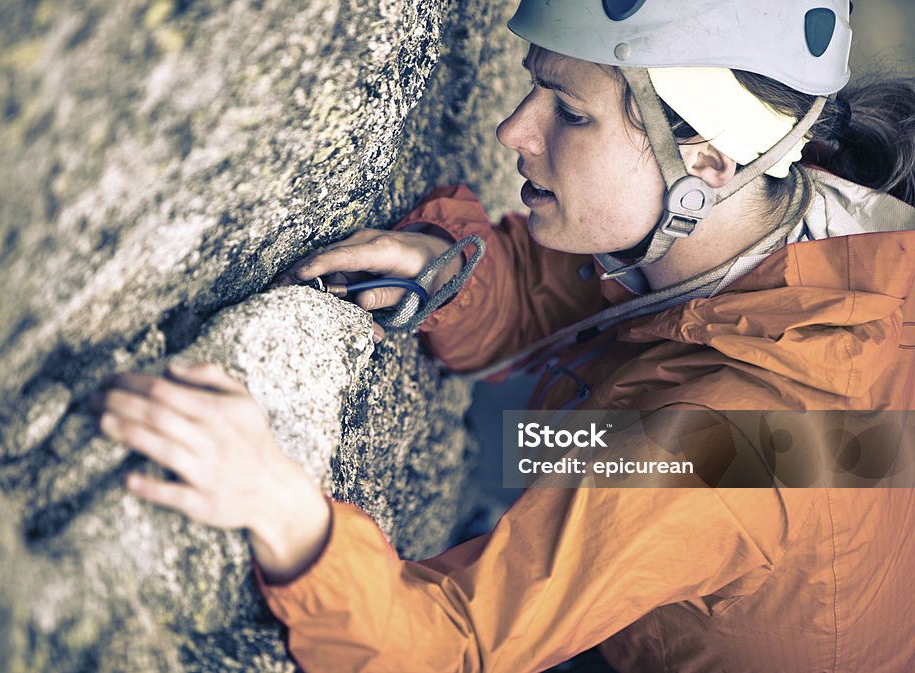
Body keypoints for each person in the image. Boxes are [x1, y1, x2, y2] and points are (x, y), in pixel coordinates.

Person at [96, 1, 915, 671]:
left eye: (570, 111)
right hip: (743, 534)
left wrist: (284, 512)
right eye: (535, 90)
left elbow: (455, 643)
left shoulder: (727, 453)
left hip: (694, 541)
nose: (514, 132)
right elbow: (600, 288)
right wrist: (461, 277)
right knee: (530, 443)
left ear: (708, 161)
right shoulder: (823, 238)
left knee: (522, 452)